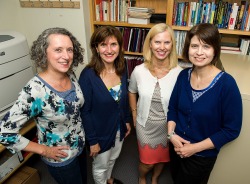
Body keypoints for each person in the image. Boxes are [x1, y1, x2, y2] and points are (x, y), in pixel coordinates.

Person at [0, 27, 87, 184]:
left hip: (79, 147)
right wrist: (44, 150)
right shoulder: (34, 91)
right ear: (44, 52)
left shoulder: (70, 74)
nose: (66, 56)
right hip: (61, 159)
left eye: (69, 50)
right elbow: (5, 132)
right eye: (58, 50)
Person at [167, 23, 242, 184]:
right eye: (194, 46)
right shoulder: (183, 76)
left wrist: (193, 148)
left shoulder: (227, 84)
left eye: (206, 46)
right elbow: (172, 108)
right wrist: (171, 135)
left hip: (201, 157)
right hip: (175, 147)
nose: (199, 52)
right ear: (188, 48)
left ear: (215, 50)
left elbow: (231, 130)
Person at [128, 23, 182, 184]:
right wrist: (134, 113)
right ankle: (142, 176)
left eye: (167, 42)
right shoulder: (139, 70)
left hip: (167, 127)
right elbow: (131, 91)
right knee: (146, 163)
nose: (162, 47)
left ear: (172, 45)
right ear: (150, 44)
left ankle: (156, 178)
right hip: (145, 125)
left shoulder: (179, 73)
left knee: (162, 159)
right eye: (157, 42)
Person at [78, 26, 131, 184]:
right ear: (96, 48)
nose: (109, 50)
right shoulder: (88, 75)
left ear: (120, 47)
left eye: (113, 44)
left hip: (118, 126)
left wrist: (127, 119)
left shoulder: (122, 68)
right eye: (103, 45)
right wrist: (92, 141)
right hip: (100, 132)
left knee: (113, 158)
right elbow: (85, 111)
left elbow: (124, 98)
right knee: (100, 165)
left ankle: (108, 180)